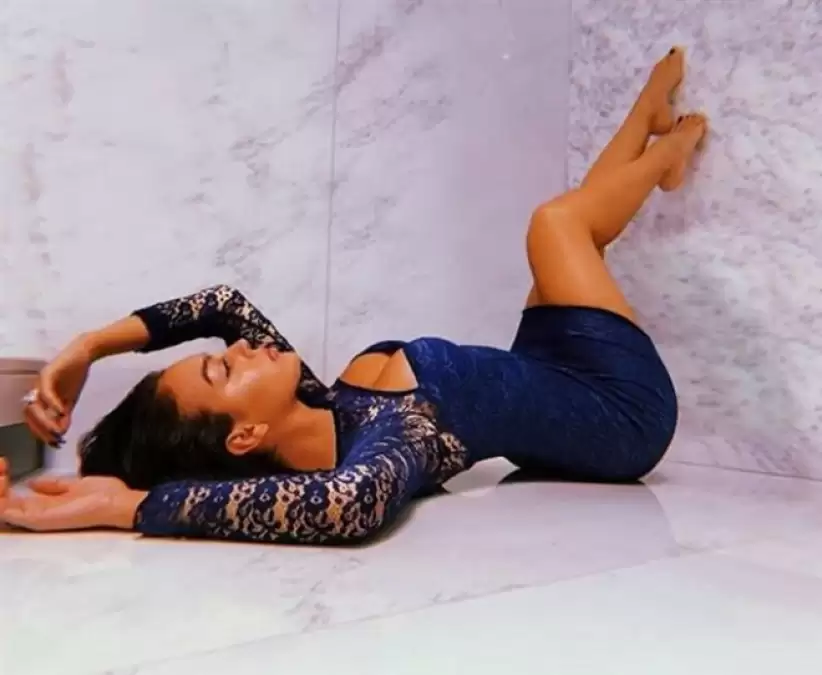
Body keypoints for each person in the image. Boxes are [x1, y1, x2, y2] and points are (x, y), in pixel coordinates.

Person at [0, 48, 705, 545]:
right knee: (556, 226)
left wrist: (88, 347)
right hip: (622, 416)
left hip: (553, 369)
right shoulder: (384, 446)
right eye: (223, 370)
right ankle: (664, 158)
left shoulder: (326, 401)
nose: (239, 348)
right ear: (245, 437)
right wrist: (131, 507)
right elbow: (346, 506)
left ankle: (644, 126)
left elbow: (221, 303)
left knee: (575, 237)